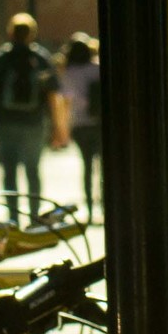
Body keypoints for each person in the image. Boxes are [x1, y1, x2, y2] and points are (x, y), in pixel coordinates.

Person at [0, 12, 68, 219]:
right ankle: (35, 215)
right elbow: (55, 98)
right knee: (33, 170)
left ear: (10, 32)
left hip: (5, 122)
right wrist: (59, 128)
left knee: (9, 172)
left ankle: (13, 216)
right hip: (34, 123)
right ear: (33, 34)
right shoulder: (41, 58)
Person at [58, 33, 102, 210]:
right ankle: (104, 206)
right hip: (99, 123)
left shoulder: (68, 73)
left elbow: (65, 104)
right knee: (103, 168)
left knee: (87, 167)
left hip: (79, 125)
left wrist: (63, 129)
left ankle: (90, 206)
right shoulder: (98, 69)